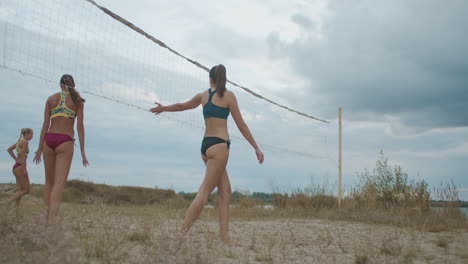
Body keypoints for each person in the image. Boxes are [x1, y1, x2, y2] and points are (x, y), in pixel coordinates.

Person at [150, 64, 264, 244]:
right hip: (219, 147)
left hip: (205, 147)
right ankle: (179, 236)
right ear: (224, 79)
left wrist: (163, 108)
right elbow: (241, 124)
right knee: (203, 194)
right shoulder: (229, 96)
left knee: (226, 191)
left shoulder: (203, 96)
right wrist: (256, 147)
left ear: (210, 78)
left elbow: (181, 106)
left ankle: (225, 238)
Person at [33, 74, 89, 225]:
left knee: (48, 182)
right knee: (59, 183)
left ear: (60, 85)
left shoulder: (51, 99)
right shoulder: (77, 101)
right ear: (73, 85)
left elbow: (45, 124)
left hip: (48, 140)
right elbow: (80, 127)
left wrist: (39, 148)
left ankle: (46, 217)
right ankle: (51, 223)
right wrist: (83, 151)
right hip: (65, 141)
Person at [6, 128, 34, 207]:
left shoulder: (19, 142)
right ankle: (6, 203)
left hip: (16, 166)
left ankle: (17, 211)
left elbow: (9, 150)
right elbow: (22, 155)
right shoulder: (25, 142)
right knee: (26, 190)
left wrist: (15, 159)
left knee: (20, 190)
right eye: (32, 134)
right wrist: (24, 169)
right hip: (21, 167)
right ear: (27, 134)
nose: (32, 136)